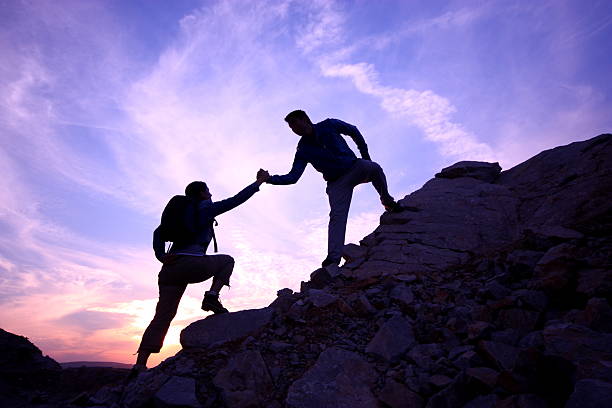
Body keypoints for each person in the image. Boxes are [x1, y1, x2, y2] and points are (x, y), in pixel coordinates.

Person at [132, 169, 270, 373]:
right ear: (202, 194)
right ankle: (212, 297)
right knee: (227, 261)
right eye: (208, 191)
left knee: (162, 315)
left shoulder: (177, 216)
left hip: (169, 270)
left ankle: (140, 363)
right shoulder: (204, 209)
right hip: (191, 265)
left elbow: (157, 233)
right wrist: (258, 182)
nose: (211, 195)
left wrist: (161, 256)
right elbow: (235, 200)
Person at [266, 110, 403, 269]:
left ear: (305, 119)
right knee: (337, 217)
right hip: (336, 183)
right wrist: (269, 179)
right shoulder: (303, 149)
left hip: (354, 166)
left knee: (374, 168)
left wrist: (365, 156)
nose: (294, 129)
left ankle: (387, 201)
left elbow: (353, 131)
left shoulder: (329, 125)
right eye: (291, 127)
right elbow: (293, 176)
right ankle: (333, 258)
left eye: (294, 123)